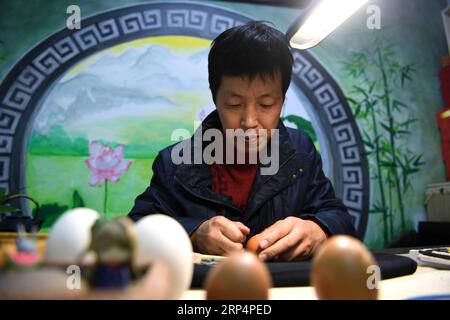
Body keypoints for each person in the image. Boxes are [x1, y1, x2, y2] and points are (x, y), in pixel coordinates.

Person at [129, 21, 356, 261]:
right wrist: (192, 233)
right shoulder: (175, 163)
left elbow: (339, 219)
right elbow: (135, 229)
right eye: (234, 104)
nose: (249, 121)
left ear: (282, 100)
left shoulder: (301, 152)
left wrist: (318, 229)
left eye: (266, 104)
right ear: (215, 97)